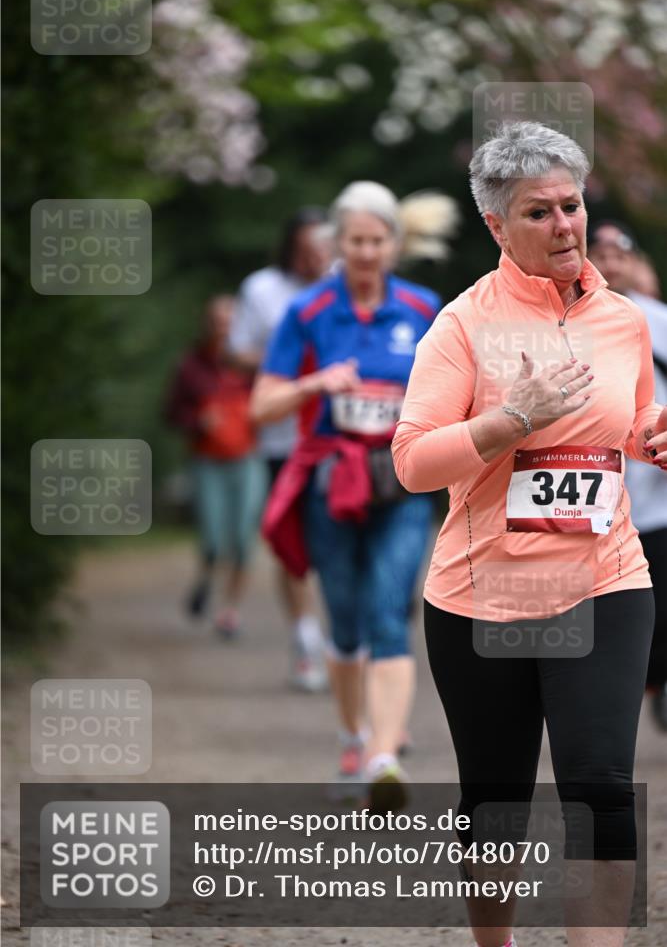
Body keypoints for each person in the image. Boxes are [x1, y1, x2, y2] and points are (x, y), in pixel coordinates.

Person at [392, 121, 667, 947]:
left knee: (600, 786)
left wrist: (652, 436)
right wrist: (510, 419)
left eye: (570, 206)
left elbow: (628, 420)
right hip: (484, 594)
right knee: (495, 799)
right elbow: (412, 462)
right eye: (537, 212)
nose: (563, 226)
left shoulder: (622, 321)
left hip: (604, 579)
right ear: (496, 226)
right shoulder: (460, 326)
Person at [251, 181, 441, 808]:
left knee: (389, 611)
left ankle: (384, 756)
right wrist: (315, 384)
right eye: (354, 240)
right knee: (346, 618)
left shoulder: (422, 308)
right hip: (331, 482)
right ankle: (353, 737)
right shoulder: (307, 312)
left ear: (394, 244)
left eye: (376, 240)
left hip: (401, 481)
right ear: (337, 243)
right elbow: (261, 405)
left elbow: (456, 391)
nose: (365, 251)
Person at [229, 209, 333, 691]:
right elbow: (236, 352)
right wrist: (289, 357)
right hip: (284, 437)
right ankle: (305, 639)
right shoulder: (261, 289)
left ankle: (350, 640)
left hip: (340, 437)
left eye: (322, 249)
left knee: (340, 540)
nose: (315, 260)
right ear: (290, 249)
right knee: (293, 543)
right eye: (306, 251)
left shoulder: (349, 282)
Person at [589, 222, 667, 731]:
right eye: (600, 253)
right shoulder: (563, 322)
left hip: (655, 496)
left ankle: (653, 682)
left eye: (620, 254)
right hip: (591, 495)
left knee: (658, 599)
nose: (610, 264)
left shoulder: (657, 319)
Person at [165, 295, 267, 638]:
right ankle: (206, 576)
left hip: (248, 459)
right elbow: (170, 413)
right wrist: (197, 420)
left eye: (230, 324)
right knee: (212, 539)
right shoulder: (190, 367)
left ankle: (229, 611)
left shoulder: (254, 366)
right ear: (206, 325)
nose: (224, 330)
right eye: (218, 323)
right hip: (207, 462)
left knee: (243, 539)